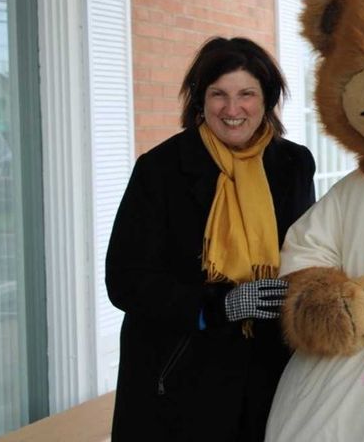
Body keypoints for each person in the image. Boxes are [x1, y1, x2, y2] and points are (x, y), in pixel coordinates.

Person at [106, 37, 315, 441]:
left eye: (246, 94)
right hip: (181, 370)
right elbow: (126, 280)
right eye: (218, 94)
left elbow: (305, 253)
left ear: (267, 99)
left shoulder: (293, 164)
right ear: (200, 101)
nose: (232, 109)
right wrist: (219, 305)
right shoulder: (160, 169)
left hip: (268, 369)